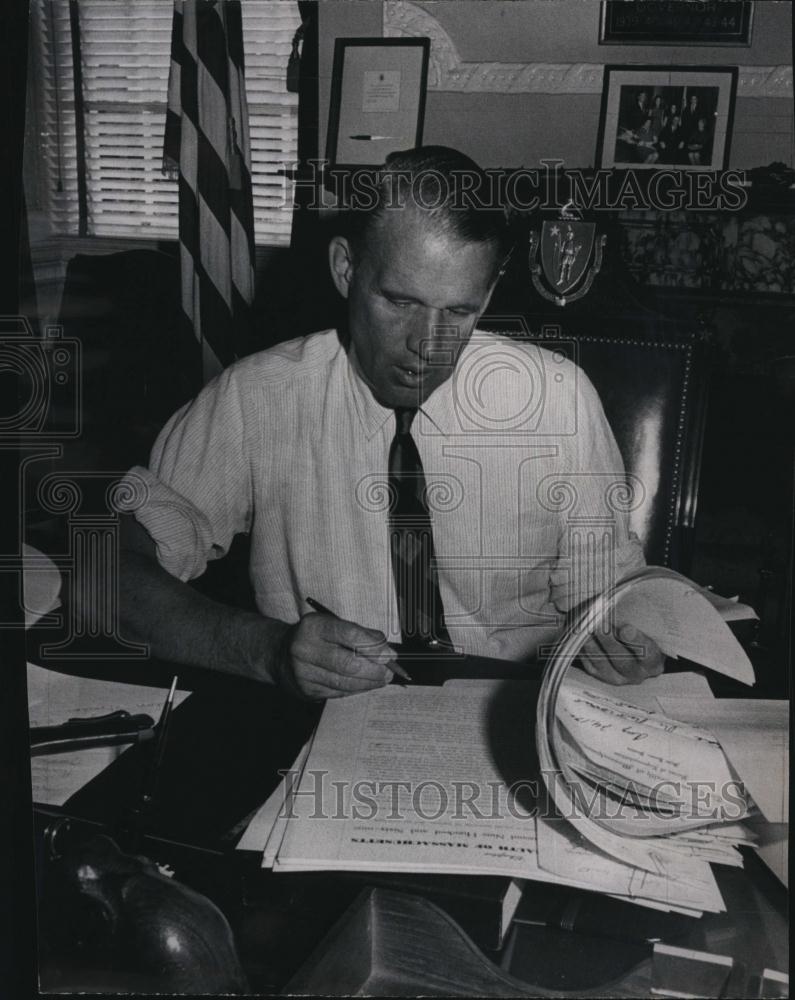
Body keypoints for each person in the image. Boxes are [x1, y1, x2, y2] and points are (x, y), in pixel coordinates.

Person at [115, 146, 664, 701]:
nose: (427, 344)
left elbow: (612, 599)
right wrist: (270, 651)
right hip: (322, 720)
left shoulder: (557, 400)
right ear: (345, 269)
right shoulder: (256, 397)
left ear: (488, 294)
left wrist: (627, 638)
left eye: (458, 311)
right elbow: (105, 573)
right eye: (400, 301)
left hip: (511, 711)